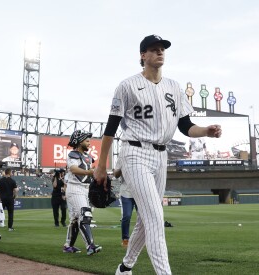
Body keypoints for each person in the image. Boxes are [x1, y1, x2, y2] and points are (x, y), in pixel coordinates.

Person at [93, 34, 222, 275]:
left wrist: (206, 130)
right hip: (134, 152)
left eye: (162, 49)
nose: (159, 52)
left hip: (161, 157)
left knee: (147, 219)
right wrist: (101, 165)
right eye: (153, 49)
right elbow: (110, 129)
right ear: (143, 56)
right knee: (154, 216)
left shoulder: (174, 86)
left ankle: (125, 266)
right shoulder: (127, 86)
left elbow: (185, 126)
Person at [62, 130, 102, 255]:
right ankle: (90, 246)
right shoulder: (73, 154)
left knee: (75, 219)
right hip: (75, 188)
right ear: (79, 142)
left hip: (84, 188)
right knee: (85, 215)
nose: (89, 143)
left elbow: (91, 171)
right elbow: (73, 169)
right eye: (87, 140)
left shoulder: (88, 157)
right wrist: (89, 172)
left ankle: (68, 246)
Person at [114, 158, 136, 248]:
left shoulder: (141, 158)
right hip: (126, 192)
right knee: (126, 216)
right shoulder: (122, 159)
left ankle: (142, 239)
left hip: (140, 192)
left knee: (143, 218)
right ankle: (125, 239)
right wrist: (122, 167)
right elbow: (116, 174)